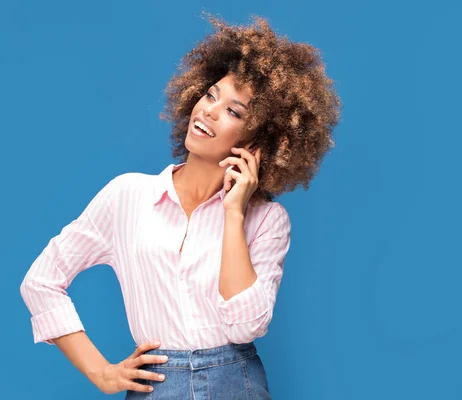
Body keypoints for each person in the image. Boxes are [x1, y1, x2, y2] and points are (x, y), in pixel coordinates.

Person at [20, 14, 340, 399]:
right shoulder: (127, 196)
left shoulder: (267, 220)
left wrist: (234, 213)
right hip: (156, 386)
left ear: (259, 141)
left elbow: (245, 327)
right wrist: (101, 373)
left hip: (236, 384)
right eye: (210, 95)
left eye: (233, 111)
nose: (208, 111)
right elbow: (41, 282)